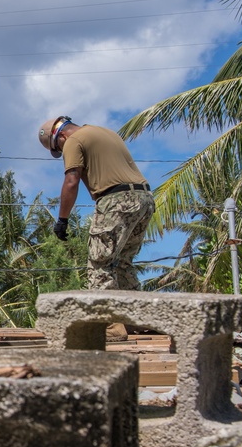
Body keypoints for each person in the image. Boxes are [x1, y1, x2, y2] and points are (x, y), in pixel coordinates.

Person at [38, 116, 155, 341]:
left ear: (59, 137)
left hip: (116, 201)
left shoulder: (73, 141)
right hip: (144, 199)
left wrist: (62, 219)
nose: (63, 151)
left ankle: (111, 326)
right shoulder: (106, 132)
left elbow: (71, 181)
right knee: (122, 263)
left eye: (59, 148)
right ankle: (140, 320)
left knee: (99, 263)